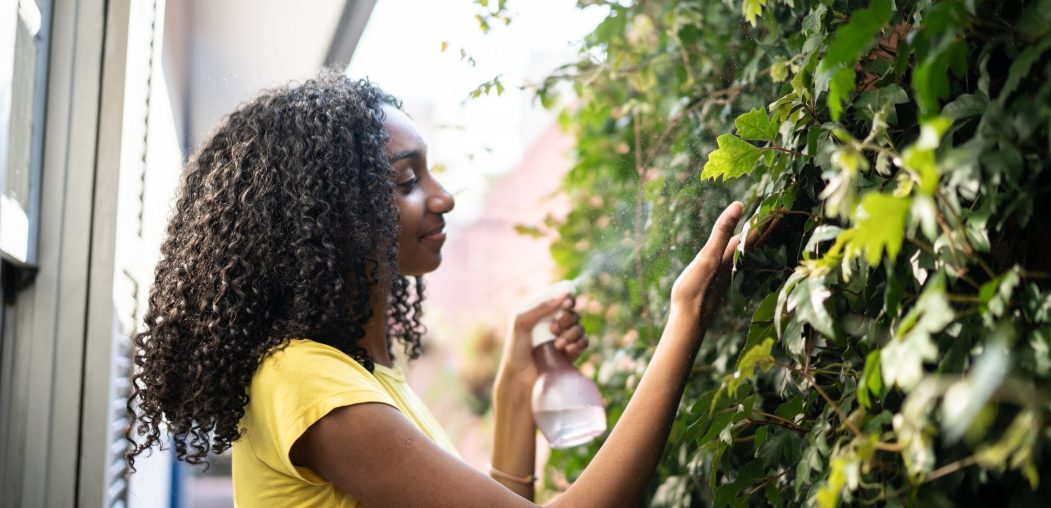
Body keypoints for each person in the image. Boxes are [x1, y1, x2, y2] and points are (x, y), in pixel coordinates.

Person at [127, 71, 746, 507]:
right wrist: (686, 318)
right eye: (406, 180)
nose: (443, 197)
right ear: (332, 214)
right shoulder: (306, 383)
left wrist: (514, 388)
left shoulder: (362, 378)